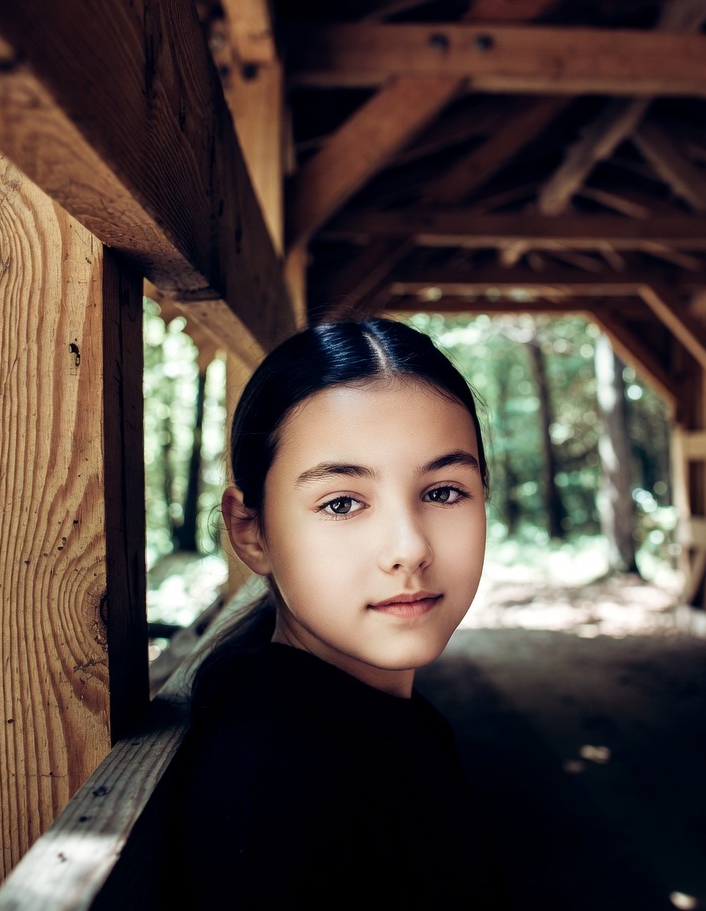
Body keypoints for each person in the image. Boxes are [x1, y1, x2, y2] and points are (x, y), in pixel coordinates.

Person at [171, 318, 509, 908]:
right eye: (343, 502)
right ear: (252, 533)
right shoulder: (276, 794)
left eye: (443, 492)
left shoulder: (387, 722)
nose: (409, 548)